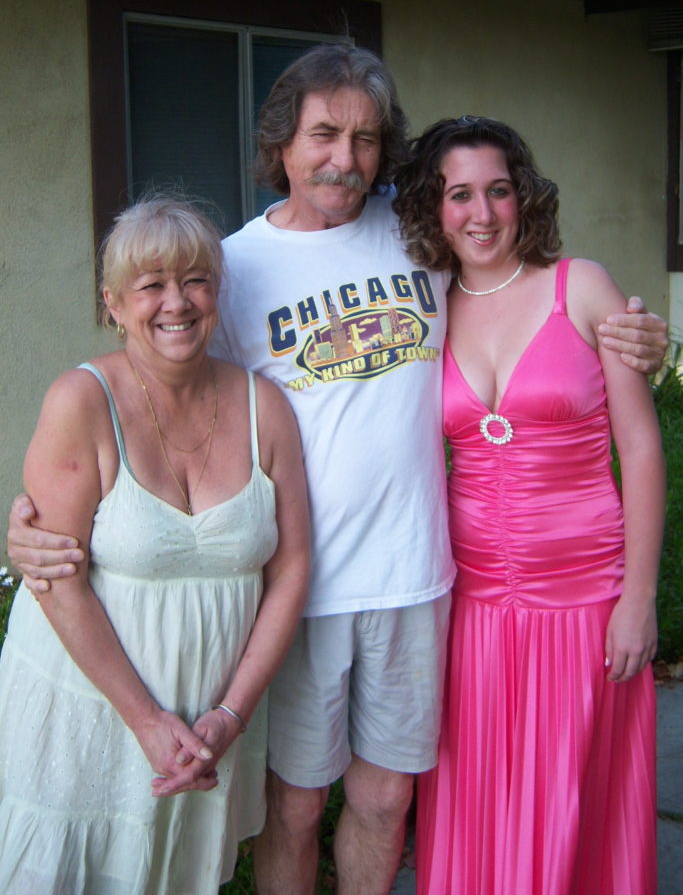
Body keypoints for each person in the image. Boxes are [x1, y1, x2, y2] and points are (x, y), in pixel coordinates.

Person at [6, 47, 669, 895]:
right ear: (282, 144)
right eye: (323, 134)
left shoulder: (419, 229)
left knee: (387, 802)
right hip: (302, 590)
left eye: (363, 138)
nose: (344, 158)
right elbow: (162, 378)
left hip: (419, 580)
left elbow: (521, 288)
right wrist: (45, 517)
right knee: (293, 808)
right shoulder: (237, 266)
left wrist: (635, 335)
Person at [0, 198, 309, 894]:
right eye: (151, 285)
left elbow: (291, 567)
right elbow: (55, 575)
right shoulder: (80, 401)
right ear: (113, 303)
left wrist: (232, 714)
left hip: (209, 721)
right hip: (85, 708)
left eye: (196, 280)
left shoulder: (265, 407)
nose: (178, 301)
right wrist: (143, 718)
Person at [394, 115, 664, 895]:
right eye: (458, 195)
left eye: (498, 191)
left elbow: (640, 451)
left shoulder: (579, 285)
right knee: (477, 806)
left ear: (524, 197)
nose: (481, 213)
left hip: (585, 603)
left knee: (575, 808)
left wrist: (637, 599)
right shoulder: (429, 307)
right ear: (432, 207)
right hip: (472, 611)